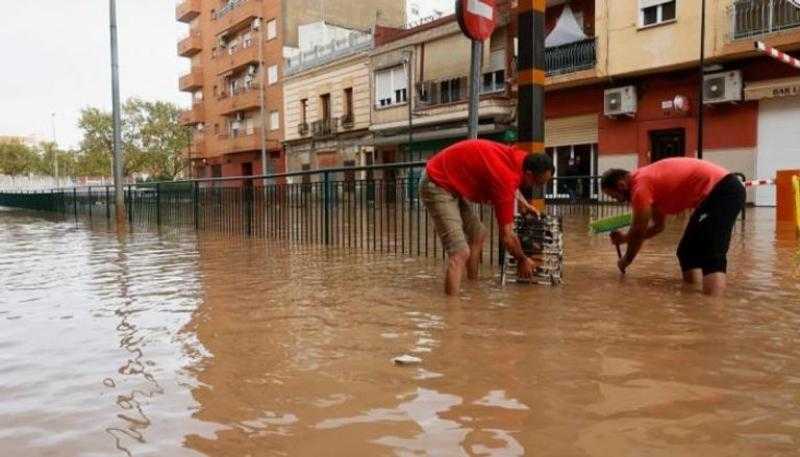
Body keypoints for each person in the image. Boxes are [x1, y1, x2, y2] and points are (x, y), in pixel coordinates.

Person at [420, 139, 554, 295]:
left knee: (478, 233)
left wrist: (523, 203)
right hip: (436, 182)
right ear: (529, 174)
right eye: (538, 183)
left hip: (450, 182)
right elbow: (507, 237)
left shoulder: (522, 159)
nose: (537, 187)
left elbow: (511, 182)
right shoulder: (505, 179)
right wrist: (522, 259)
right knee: (460, 252)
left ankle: (472, 288)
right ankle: (453, 308)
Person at [600, 158, 746, 296]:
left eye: (615, 197)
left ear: (621, 185)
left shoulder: (639, 188)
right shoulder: (648, 185)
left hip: (723, 191)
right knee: (686, 252)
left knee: (710, 252)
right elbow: (658, 227)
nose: (618, 201)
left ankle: (714, 307)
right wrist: (625, 239)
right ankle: (694, 300)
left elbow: (638, 232)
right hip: (713, 195)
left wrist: (626, 260)